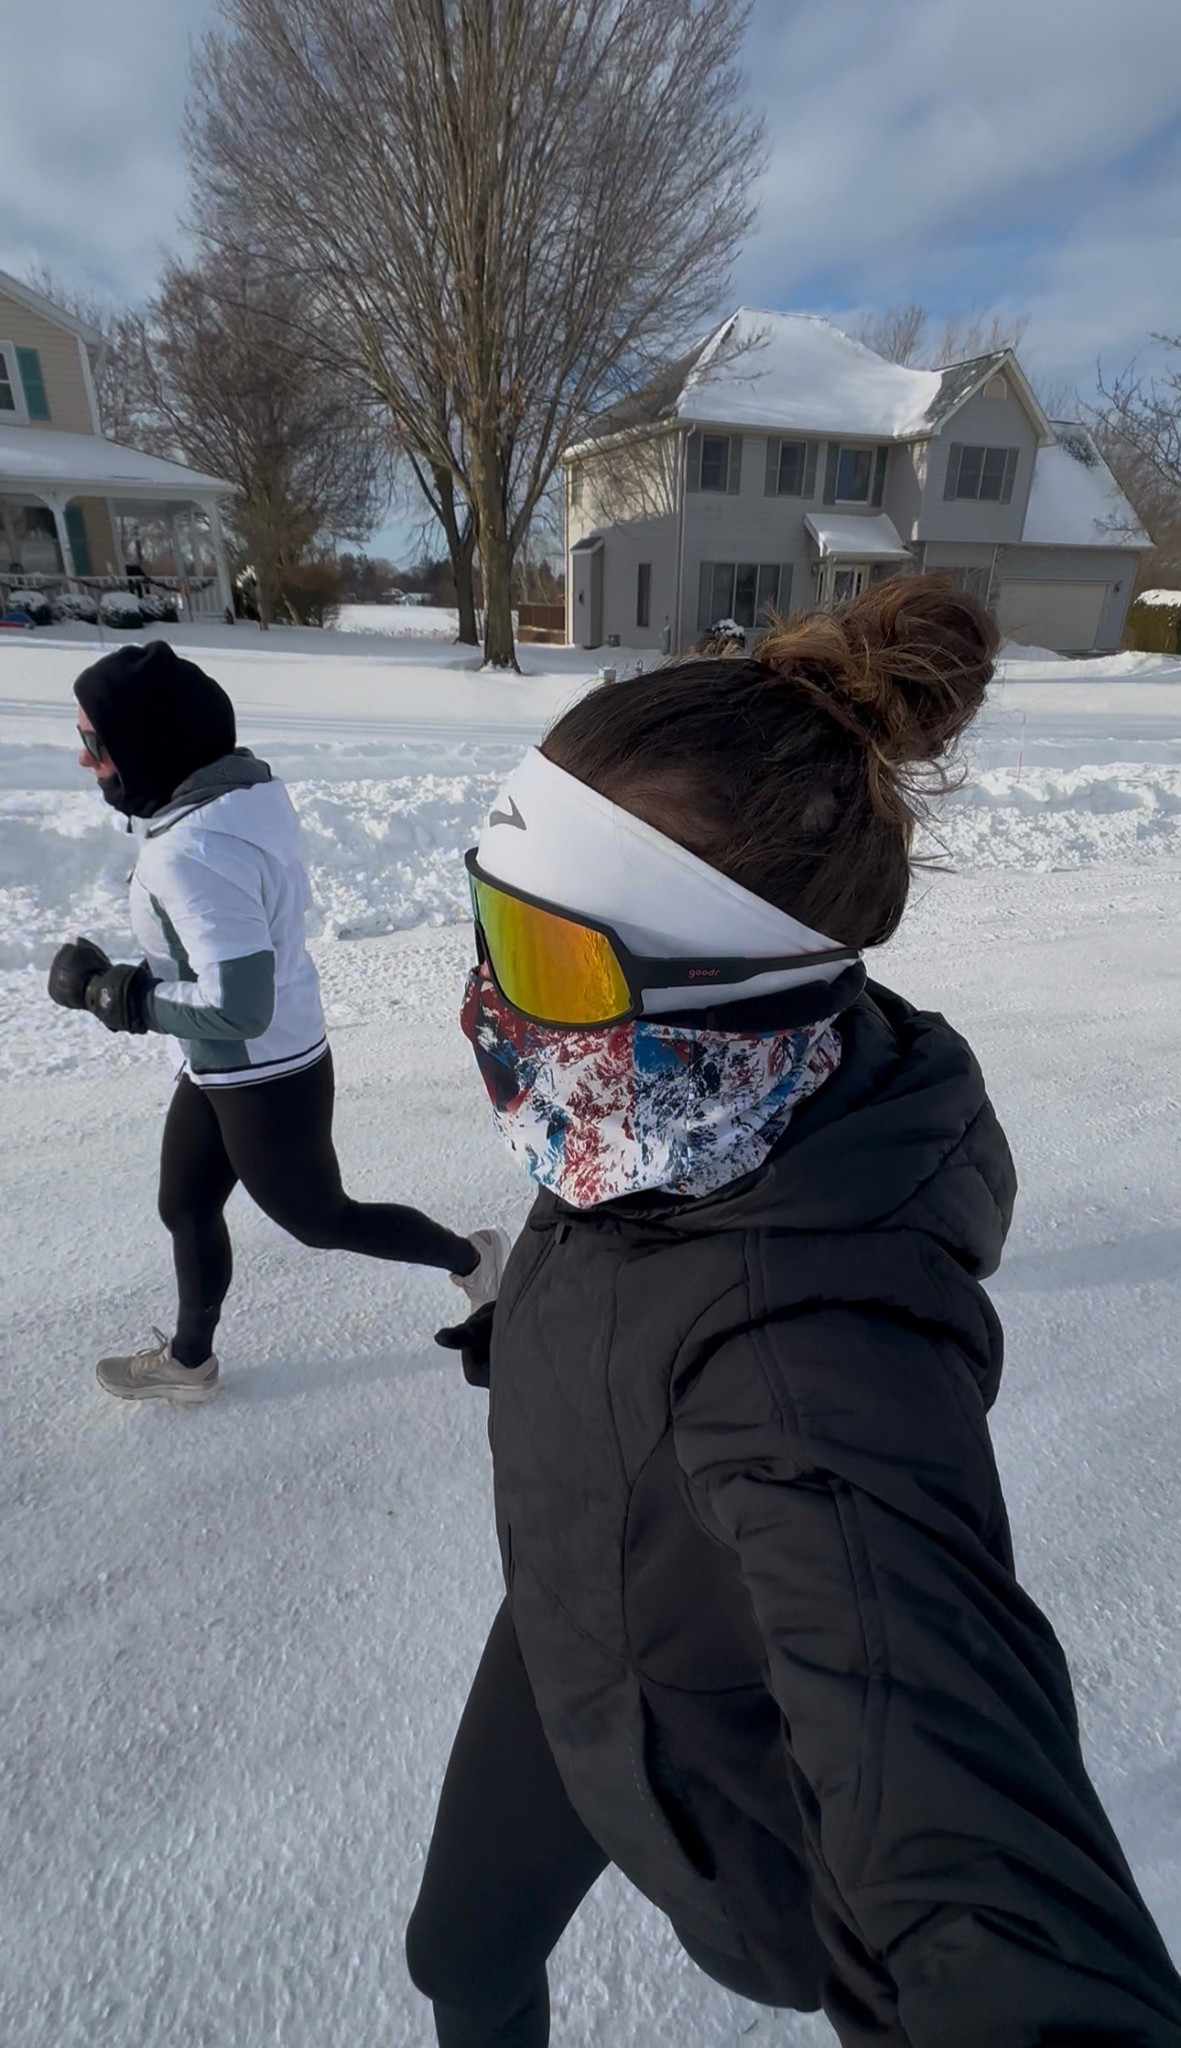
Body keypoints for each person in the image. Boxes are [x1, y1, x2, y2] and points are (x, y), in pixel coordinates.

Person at [407, 578, 1181, 2047]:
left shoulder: (814, 1356)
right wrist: (535, 1339)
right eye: (486, 918)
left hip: (702, 1745)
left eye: (547, 957)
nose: (489, 997)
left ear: (738, 988)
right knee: (455, 1956)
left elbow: (962, 1818)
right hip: (567, 1606)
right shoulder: (661, 1116)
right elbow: (632, 1260)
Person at [49, 641, 506, 1403]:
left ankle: (472, 1259)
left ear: (143, 745)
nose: (84, 762)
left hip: (264, 1074)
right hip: (230, 1062)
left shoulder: (189, 850)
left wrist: (116, 996)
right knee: (186, 1204)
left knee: (321, 1220)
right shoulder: (237, 797)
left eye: (94, 745)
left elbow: (237, 1005)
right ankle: (191, 1362)